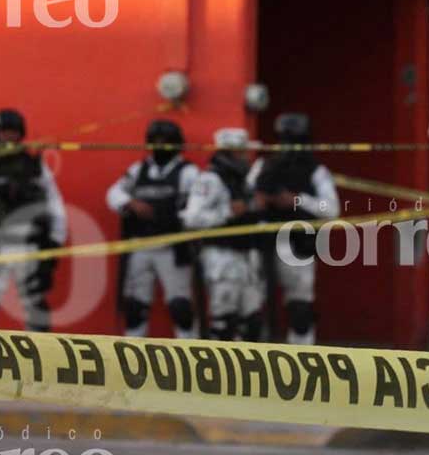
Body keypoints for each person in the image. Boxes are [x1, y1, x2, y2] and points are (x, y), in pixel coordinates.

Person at [0, 108, 67, 332]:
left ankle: (41, 362)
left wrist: (55, 241)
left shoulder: (35, 166)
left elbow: (55, 204)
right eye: (3, 133)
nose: (8, 138)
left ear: (21, 134)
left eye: (13, 133)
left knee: (36, 310)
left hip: (30, 245)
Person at [248, 113, 340, 345]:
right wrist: (258, 200)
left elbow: (331, 208)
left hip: (297, 243)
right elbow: (245, 197)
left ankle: (301, 365)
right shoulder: (263, 165)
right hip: (263, 242)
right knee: (253, 309)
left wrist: (297, 200)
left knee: (300, 311)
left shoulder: (315, 170)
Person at [106, 119, 199, 339]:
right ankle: (131, 360)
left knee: (180, 307)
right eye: (156, 141)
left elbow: (197, 208)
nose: (160, 146)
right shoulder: (138, 170)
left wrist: (182, 216)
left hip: (173, 248)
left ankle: (190, 360)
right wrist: (130, 203)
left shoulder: (188, 172)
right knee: (135, 307)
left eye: (165, 142)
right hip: (141, 245)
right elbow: (113, 193)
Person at [181, 128, 265, 341]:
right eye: (242, 152)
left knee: (252, 322)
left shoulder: (244, 180)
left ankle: (247, 372)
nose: (246, 156)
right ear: (228, 153)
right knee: (223, 322)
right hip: (221, 257)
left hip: (246, 256)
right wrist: (227, 212)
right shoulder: (210, 179)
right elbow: (192, 218)